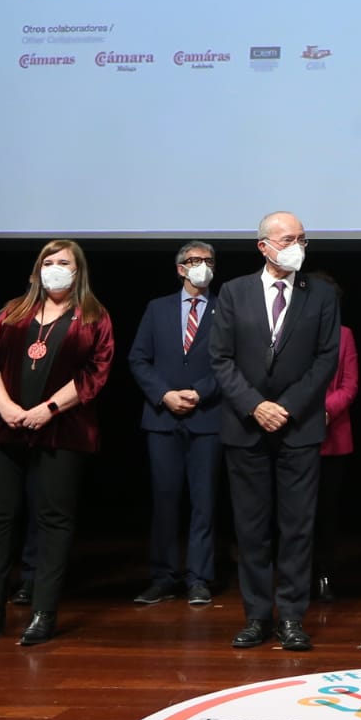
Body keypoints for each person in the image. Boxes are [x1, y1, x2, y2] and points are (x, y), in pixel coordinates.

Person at [0, 240, 113, 647]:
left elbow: (95, 375)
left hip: (63, 428)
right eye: (49, 262)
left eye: (64, 263)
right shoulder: (12, 311)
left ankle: (44, 611)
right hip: (0, 425)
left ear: (78, 272)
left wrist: (47, 408)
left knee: (53, 521)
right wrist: (7, 408)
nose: (56, 268)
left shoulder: (94, 316)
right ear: (36, 270)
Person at [206, 211, 342, 653]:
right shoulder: (233, 291)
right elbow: (221, 359)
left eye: (303, 238)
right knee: (251, 528)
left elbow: (326, 359)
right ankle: (257, 617)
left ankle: (292, 619)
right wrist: (255, 405)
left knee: (297, 527)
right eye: (288, 238)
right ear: (263, 246)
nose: (297, 245)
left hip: (298, 427)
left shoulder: (320, 294)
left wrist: (284, 407)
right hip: (246, 427)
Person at [126, 241, 224, 609]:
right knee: (165, 500)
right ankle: (164, 576)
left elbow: (229, 361)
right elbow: (138, 358)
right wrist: (164, 395)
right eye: (195, 261)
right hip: (162, 418)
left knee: (204, 502)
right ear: (181, 268)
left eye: (208, 261)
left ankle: (199, 577)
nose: (202, 267)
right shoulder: (158, 308)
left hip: (208, 418)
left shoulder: (224, 308)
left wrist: (199, 393)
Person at [308, 271, 359, 603]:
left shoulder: (344, 336)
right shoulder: (290, 331)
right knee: (295, 513)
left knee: (326, 512)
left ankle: (324, 573)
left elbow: (350, 385)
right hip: (294, 433)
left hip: (332, 437)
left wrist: (325, 410)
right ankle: (296, 574)